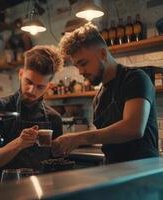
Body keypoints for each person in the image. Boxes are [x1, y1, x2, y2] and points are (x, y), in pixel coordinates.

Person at [53, 23, 159, 164]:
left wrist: (79, 137)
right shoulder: (98, 98)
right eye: (77, 66)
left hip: (143, 175)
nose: (80, 72)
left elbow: (133, 128)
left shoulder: (135, 78)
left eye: (83, 63)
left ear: (103, 54)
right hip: (113, 173)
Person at [0, 45, 63, 176]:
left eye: (40, 86)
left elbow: (56, 163)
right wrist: (19, 143)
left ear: (49, 86)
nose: (32, 90)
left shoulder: (54, 118)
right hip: (5, 189)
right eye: (29, 82)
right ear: (20, 74)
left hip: (42, 189)